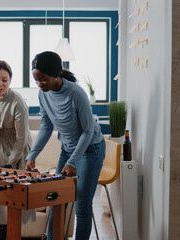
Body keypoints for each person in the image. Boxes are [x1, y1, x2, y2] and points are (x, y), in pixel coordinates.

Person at [25, 51, 105, 240]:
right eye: (36, 80)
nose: (40, 84)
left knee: (82, 205)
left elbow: (88, 131)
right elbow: (46, 125)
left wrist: (73, 162)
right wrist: (32, 155)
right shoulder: (43, 94)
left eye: (43, 79)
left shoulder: (76, 93)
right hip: (67, 149)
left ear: (56, 75)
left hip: (90, 150)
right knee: (56, 199)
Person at [0, 60, 36, 240]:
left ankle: (12, 232)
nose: (0, 84)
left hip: (17, 147)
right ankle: (1, 230)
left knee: (14, 192)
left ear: (10, 80)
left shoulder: (17, 101)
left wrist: (11, 162)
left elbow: (21, 138)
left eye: (5, 80)